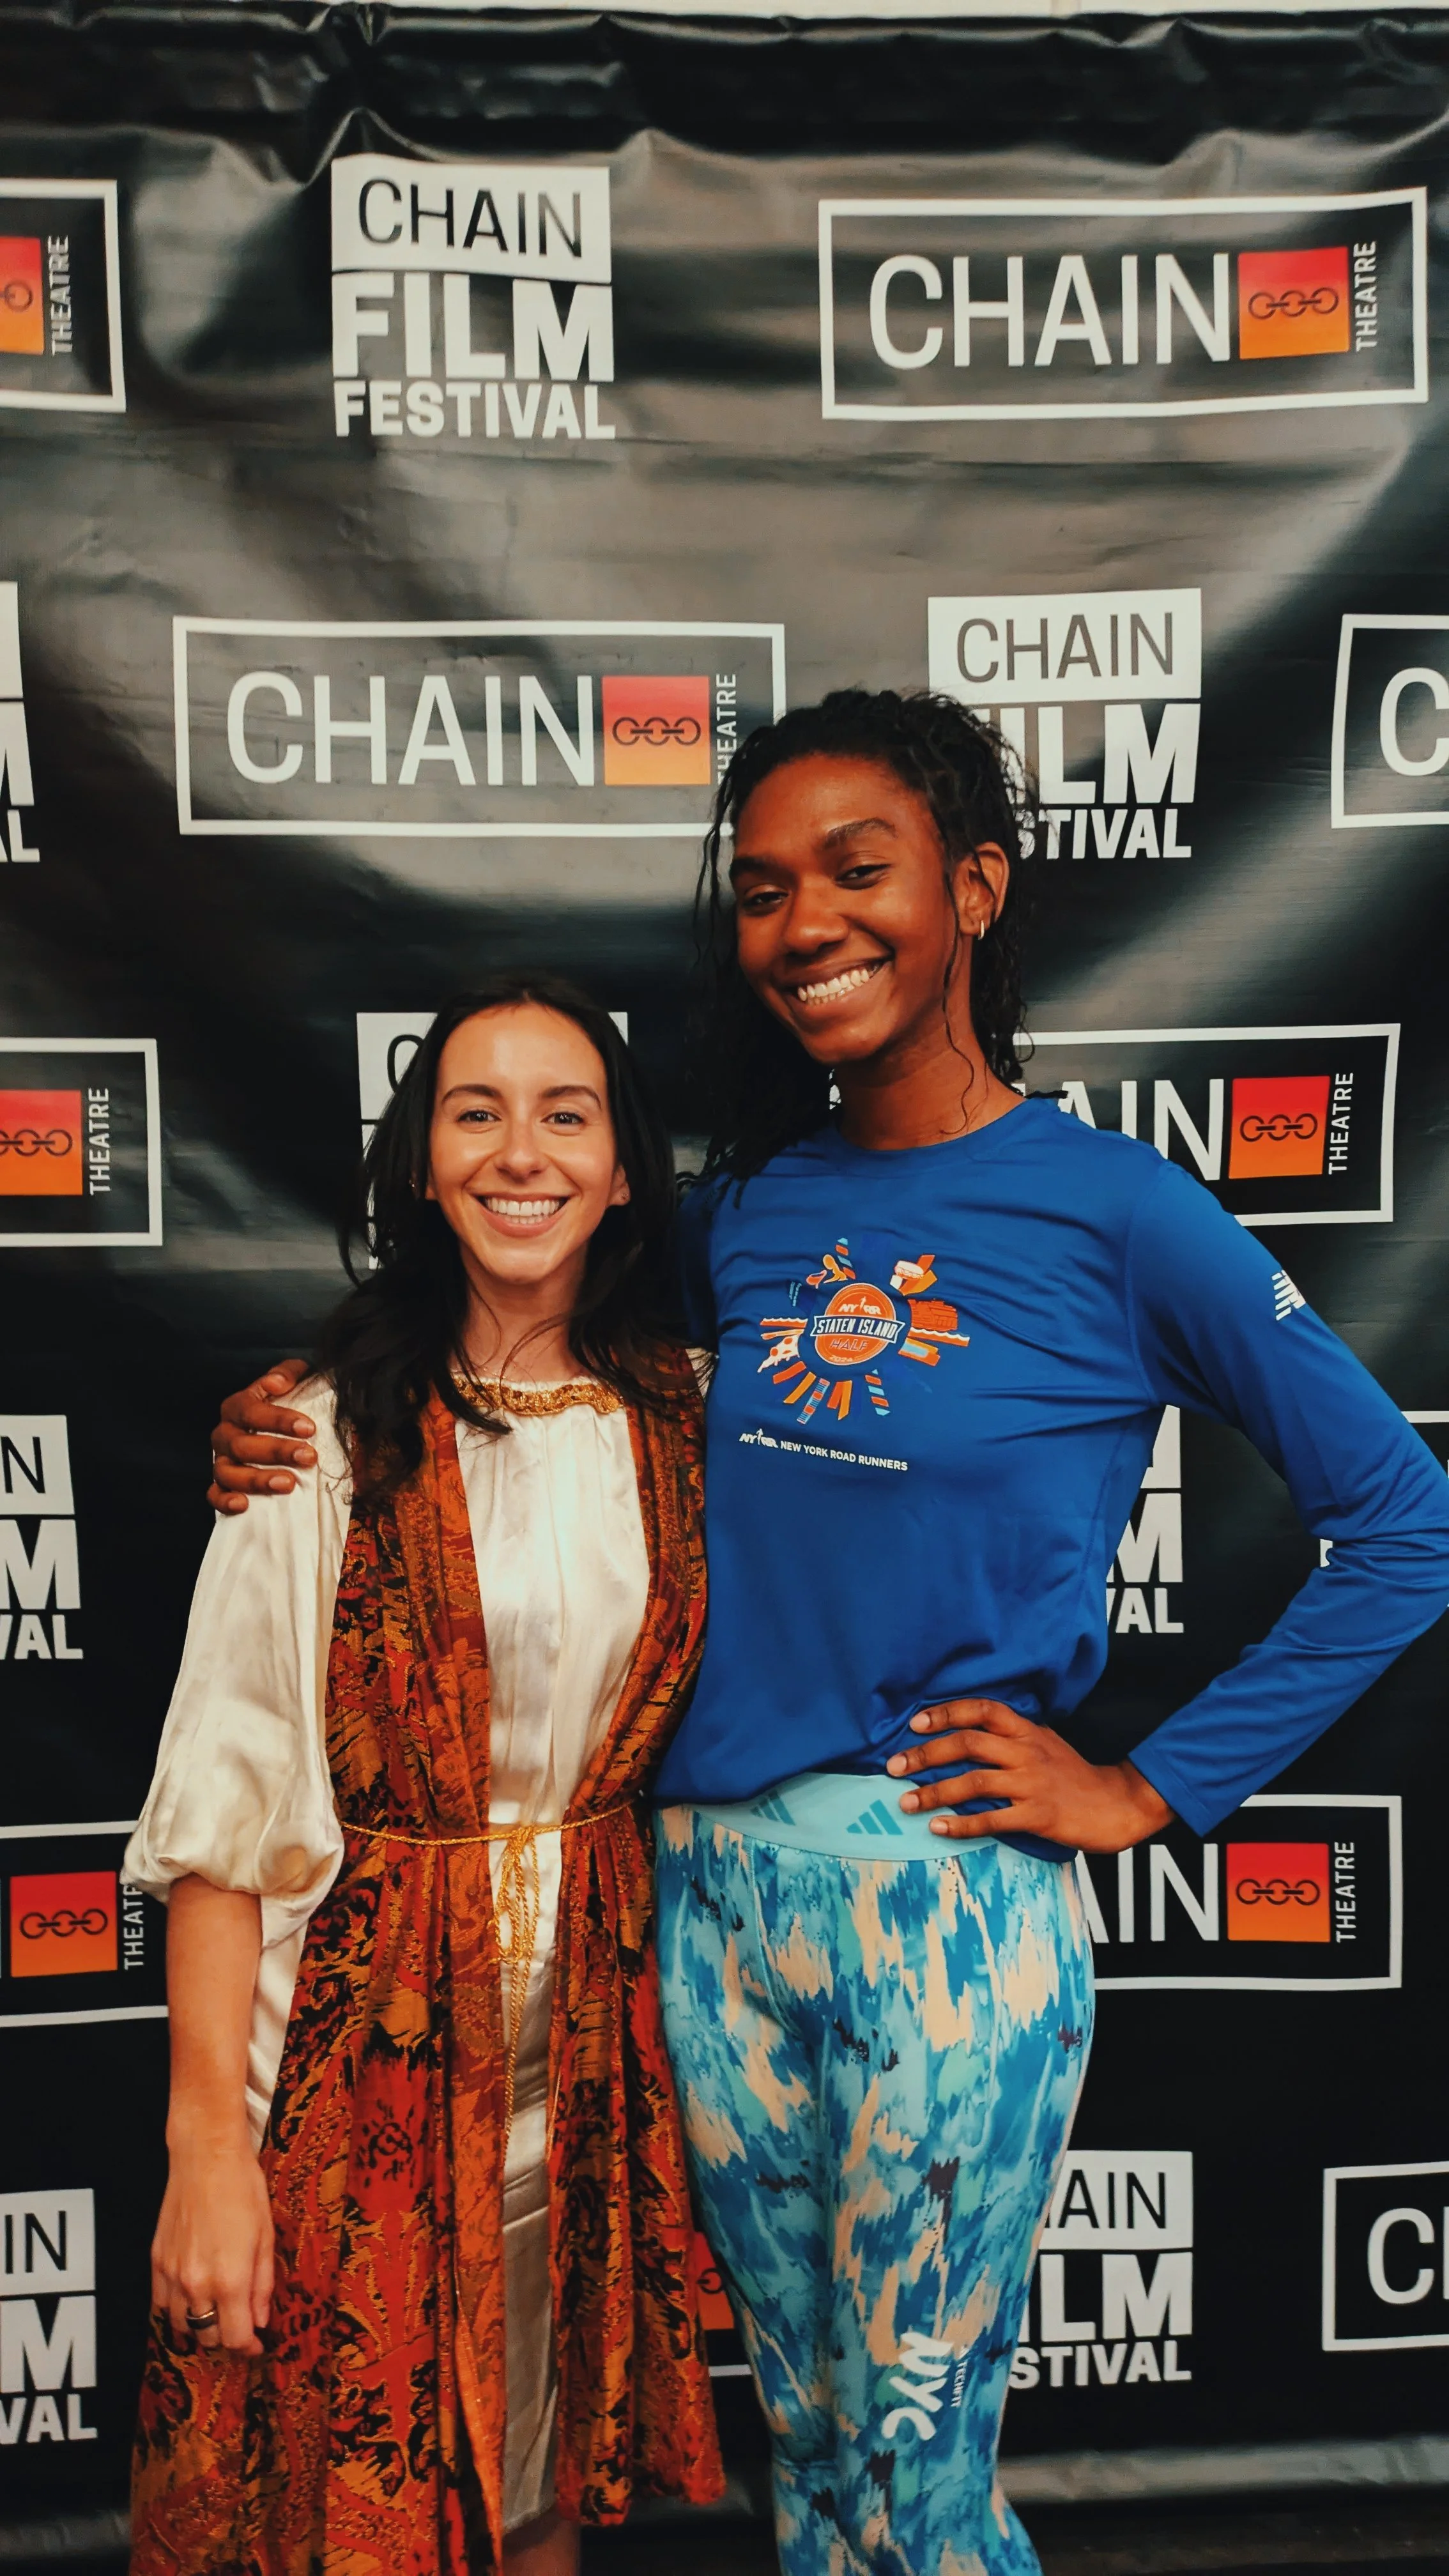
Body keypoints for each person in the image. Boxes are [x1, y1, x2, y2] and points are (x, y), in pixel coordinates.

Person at [209, 691, 1449, 2576]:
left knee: (920, 2478)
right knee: (810, 2461)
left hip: (939, 1907)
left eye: (858, 874)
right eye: (767, 889)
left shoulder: (1116, 1213)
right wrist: (291, 1412)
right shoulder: (740, 1217)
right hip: (701, 1907)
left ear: (974, 885)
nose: (804, 926)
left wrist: (1148, 1785)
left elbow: (1404, 1527)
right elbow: (509, 1332)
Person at [125, 977, 723, 2576]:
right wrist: (205, 2152)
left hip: (587, 2044)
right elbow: (222, 1823)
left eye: (565, 1113)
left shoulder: (689, 1423)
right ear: (419, 1165)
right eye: (476, 1111)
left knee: (531, 2470)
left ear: (620, 1170)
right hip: (355, 2052)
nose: (519, 1152)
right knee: (328, 2496)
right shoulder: (315, 1447)